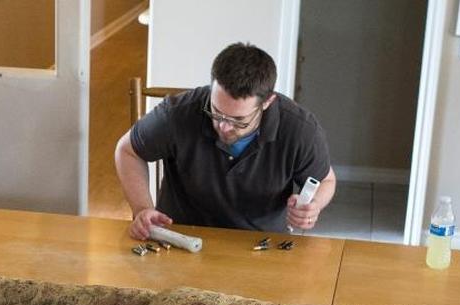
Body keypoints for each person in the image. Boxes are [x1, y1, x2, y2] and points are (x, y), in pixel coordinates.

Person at [116, 42, 337, 240]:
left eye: (239, 120)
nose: (223, 126)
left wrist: (313, 205)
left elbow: (326, 180)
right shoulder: (178, 112)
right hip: (181, 236)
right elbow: (127, 151)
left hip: (261, 242)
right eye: (216, 112)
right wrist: (142, 209)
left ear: (268, 102)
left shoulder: (299, 128)